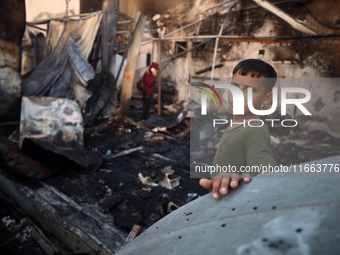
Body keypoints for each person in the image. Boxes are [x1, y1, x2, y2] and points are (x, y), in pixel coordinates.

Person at [199, 59, 277, 199]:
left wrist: (240, 179)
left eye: (251, 90)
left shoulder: (255, 129)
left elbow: (265, 170)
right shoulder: (236, 124)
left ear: (266, 98)